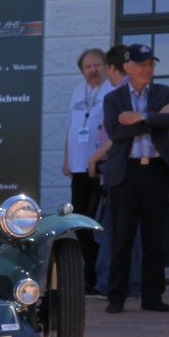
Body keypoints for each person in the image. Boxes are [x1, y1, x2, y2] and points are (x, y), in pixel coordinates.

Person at [100, 43, 169, 313]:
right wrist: (153, 120)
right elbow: (115, 133)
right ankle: (116, 298)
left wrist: (139, 117)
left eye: (150, 65)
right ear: (127, 67)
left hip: (156, 172)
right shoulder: (113, 99)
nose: (147, 69)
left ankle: (153, 297)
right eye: (142, 64)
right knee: (122, 238)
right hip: (126, 174)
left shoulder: (163, 92)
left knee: (154, 239)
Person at [88, 44, 140, 299]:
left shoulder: (122, 94)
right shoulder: (127, 92)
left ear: (111, 68)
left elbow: (117, 135)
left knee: (113, 231)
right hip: (117, 170)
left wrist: (94, 158)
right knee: (123, 230)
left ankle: (111, 284)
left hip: (119, 170)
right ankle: (128, 284)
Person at [63, 47, 111, 294]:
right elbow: (71, 127)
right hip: (79, 169)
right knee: (80, 223)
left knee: (96, 224)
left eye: (97, 65)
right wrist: (66, 160)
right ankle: (88, 277)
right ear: (82, 71)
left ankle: (100, 277)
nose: (93, 70)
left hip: (99, 169)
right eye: (87, 67)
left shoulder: (111, 90)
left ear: (106, 67)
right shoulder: (77, 91)